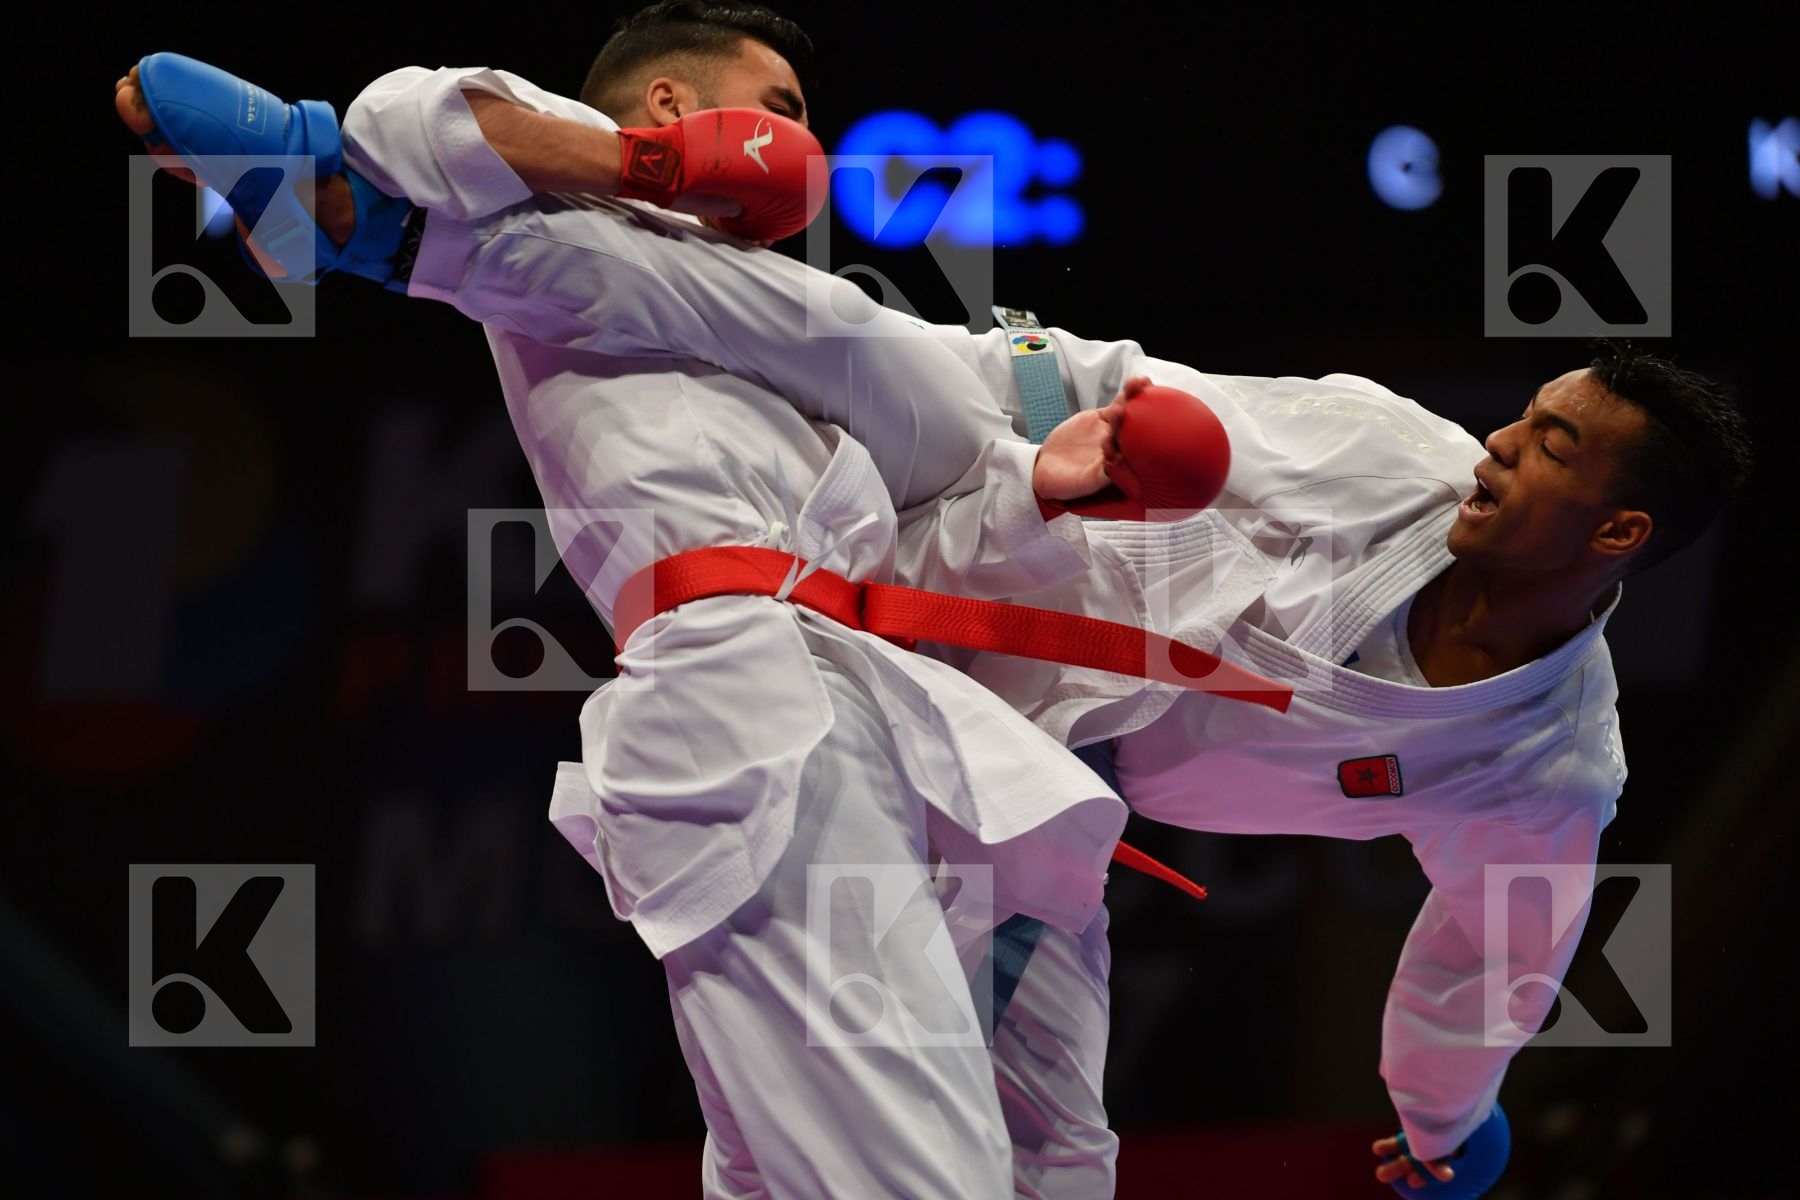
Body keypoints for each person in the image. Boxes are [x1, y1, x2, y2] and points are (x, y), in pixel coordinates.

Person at [117, 16, 1755, 1196]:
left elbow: (1494, 962)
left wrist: (1447, 1117)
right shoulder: (1391, 456)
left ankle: (373, 220)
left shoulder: (1546, 772)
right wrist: (1083, 438)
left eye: (1543, 446)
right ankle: (373, 222)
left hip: (1002, 749)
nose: (1494, 444)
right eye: (1518, 410)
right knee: (832, 327)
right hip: (968, 539)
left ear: (1614, 529)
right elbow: (1162, 397)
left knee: (1054, 1157)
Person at [112, 6, 1249, 1196]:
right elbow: (399, 115)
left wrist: (1034, 484)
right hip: (750, 689)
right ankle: (355, 223)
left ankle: (349, 224)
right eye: (784, 112)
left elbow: (920, 450)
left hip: (859, 691)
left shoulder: (758, 324)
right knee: (919, 1170)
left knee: (1010, 1163)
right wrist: (646, 170)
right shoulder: (553, 211)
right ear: (670, 108)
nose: (806, 150)